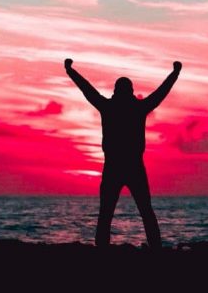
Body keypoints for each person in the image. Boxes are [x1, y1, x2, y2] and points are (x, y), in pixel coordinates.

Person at [65, 58, 181, 249]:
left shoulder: (111, 107)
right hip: (128, 166)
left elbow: (87, 90)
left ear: (116, 92)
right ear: (131, 92)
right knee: (142, 212)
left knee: (109, 214)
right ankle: (155, 249)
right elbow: (161, 92)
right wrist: (175, 73)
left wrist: (70, 70)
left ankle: (106, 249)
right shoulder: (136, 108)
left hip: (119, 167)